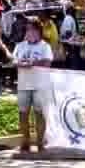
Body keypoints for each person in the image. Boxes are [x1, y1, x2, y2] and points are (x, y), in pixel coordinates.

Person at [12, 16, 53, 153]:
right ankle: (25, 142)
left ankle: (40, 143)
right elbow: (14, 61)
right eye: (28, 29)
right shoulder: (20, 46)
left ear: (39, 31)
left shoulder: (45, 46)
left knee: (39, 114)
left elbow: (47, 62)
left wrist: (33, 63)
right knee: (23, 113)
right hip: (23, 85)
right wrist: (19, 63)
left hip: (40, 85)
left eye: (33, 29)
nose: (30, 32)